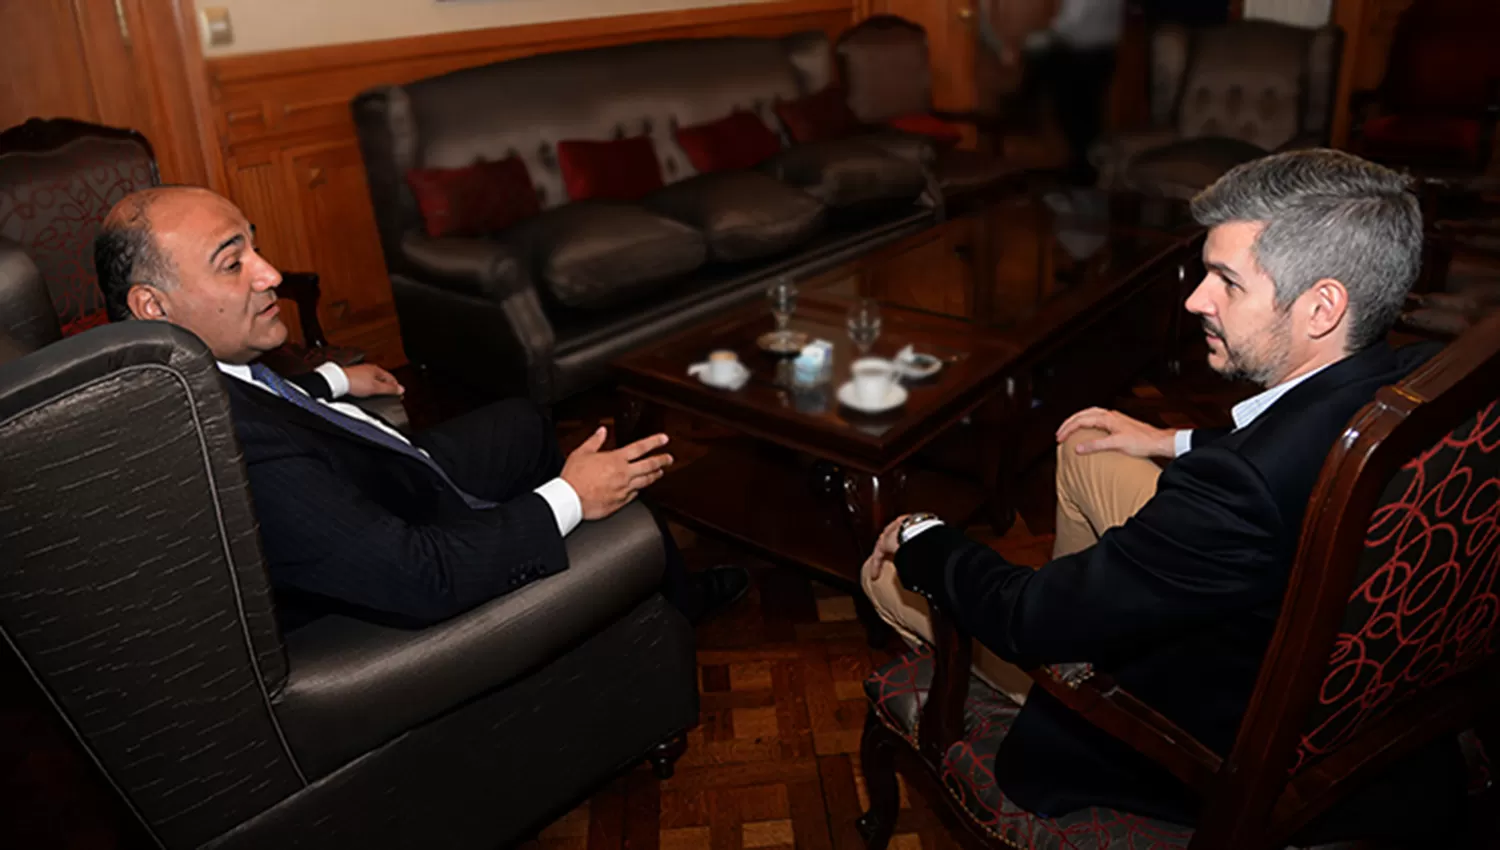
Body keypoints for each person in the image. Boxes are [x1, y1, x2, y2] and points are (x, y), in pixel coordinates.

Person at [861, 149, 1463, 839]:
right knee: (1085, 452)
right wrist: (1165, 440)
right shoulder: (1419, 378)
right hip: (1355, 667)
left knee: (883, 580)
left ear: (1322, 306)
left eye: (1226, 282)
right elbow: (1295, 443)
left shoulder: (1236, 494)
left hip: (1217, 735)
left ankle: (1055, 675)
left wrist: (922, 534)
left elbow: (1022, 615)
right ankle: (1086, 609)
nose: (1194, 300)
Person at [94, 185, 748, 629]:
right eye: (233, 263)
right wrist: (571, 498)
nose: (269, 274)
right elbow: (421, 577)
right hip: (409, 532)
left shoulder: (195, 376)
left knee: (522, 419)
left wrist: (334, 381)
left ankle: (669, 588)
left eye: (255, 246)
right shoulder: (237, 450)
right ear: (154, 306)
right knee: (597, 475)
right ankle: (659, 596)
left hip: (382, 475)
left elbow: (268, 397)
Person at [980, 0, 1123, 184]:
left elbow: (1070, 22)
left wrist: (1030, 43)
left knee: (1078, 118)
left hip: (1083, 52)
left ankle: (1083, 176)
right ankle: (1086, 174)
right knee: (1088, 116)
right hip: (1101, 49)